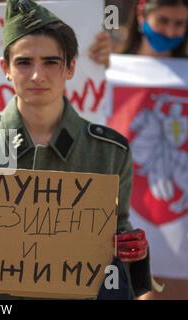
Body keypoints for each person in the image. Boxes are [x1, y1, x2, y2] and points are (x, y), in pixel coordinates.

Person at [0, 0, 152, 299]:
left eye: (50, 62)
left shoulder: (109, 151)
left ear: (70, 67)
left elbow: (117, 238)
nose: (37, 76)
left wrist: (132, 251)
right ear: (5, 68)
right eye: (23, 62)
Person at [118, 0, 188, 300]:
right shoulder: (109, 67)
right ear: (141, 14)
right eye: (163, 20)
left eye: (180, 24)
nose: (171, 31)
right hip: (124, 208)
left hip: (176, 224)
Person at [120, 0, 188, 57]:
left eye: (179, 23)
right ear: (141, 15)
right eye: (162, 21)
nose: (170, 32)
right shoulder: (113, 66)